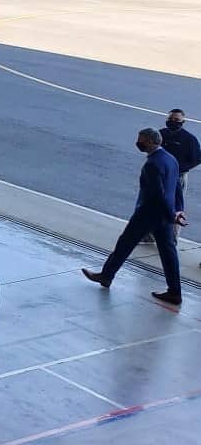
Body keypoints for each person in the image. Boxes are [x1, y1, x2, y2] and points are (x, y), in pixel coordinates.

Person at [83, 128, 188, 304]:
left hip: (148, 214)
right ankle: (175, 292)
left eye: (142, 140)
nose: (139, 143)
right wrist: (178, 210)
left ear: (151, 142)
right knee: (168, 252)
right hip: (165, 215)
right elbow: (176, 186)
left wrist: (171, 214)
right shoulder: (171, 159)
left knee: (125, 244)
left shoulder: (152, 164)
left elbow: (157, 194)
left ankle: (106, 276)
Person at [161, 109, 198, 241]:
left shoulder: (189, 140)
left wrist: (177, 169)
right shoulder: (160, 134)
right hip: (160, 176)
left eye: (176, 120)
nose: (173, 122)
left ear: (183, 122)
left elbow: (196, 159)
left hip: (178, 177)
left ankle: (172, 237)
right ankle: (150, 235)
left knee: (176, 206)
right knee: (155, 203)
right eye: (171, 119)